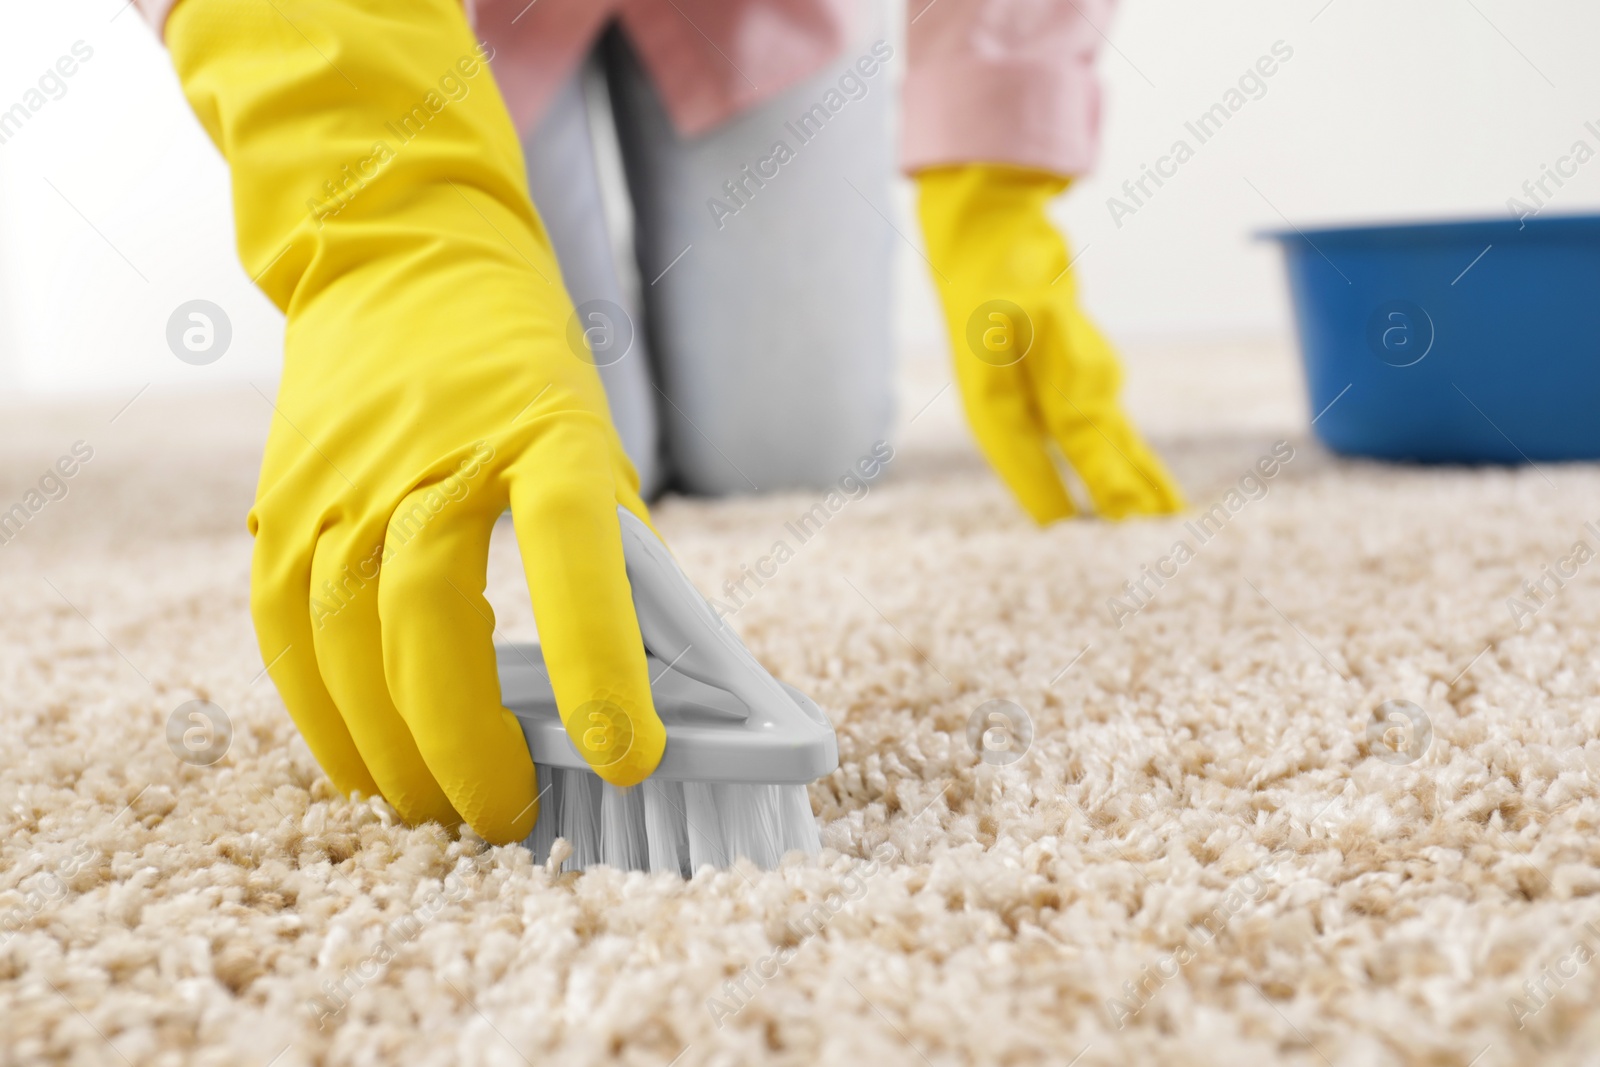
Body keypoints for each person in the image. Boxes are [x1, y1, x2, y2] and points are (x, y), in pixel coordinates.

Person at [135, 0, 1182, 844]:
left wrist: (990, 177)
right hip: (435, 36)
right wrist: (385, 223)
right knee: (570, 445)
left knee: (795, 447)